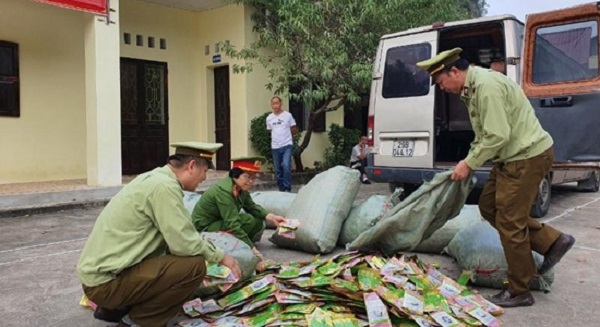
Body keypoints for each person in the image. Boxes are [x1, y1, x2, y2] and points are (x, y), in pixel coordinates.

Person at [416, 48, 575, 307]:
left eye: (441, 82)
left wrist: (468, 164)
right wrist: (468, 159)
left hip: (526, 156)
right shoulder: (471, 89)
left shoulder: (486, 87)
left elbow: (497, 135)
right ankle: (554, 241)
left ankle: (519, 290)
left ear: (454, 72)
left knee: (510, 222)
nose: (442, 88)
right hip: (509, 157)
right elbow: (484, 134)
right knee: (488, 206)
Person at [77, 142, 241, 327]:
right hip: (106, 284)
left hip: (103, 277)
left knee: (173, 259)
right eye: (204, 171)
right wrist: (221, 257)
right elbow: (184, 243)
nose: (204, 177)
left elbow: (177, 236)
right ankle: (139, 320)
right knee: (193, 267)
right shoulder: (164, 187)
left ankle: (116, 308)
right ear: (192, 166)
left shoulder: (154, 178)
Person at [191, 156, 287, 272]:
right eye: (247, 177)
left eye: (253, 177)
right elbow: (233, 224)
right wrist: (252, 250)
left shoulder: (240, 188)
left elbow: (251, 207)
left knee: (257, 221)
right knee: (246, 220)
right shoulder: (224, 192)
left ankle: (242, 243)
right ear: (235, 175)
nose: (251, 181)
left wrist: (272, 217)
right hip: (205, 227)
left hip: (220, 222)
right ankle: (241, 247)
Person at [266, 96, 298, 192]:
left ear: (281, 104)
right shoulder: (269, 118)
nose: (275, 105)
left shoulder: (288, 116)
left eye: (277, 103)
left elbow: (294, 128)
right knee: (278, 170)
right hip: (275, 146)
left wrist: (288, 137)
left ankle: (287, 187)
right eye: (273, 104)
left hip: (287, 145)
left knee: (286, 165)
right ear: (271, 105)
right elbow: (270, 130)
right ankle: (281, 188)